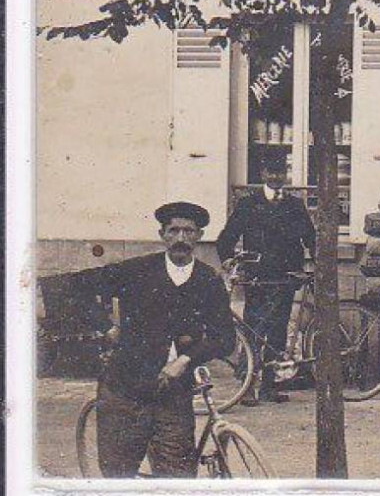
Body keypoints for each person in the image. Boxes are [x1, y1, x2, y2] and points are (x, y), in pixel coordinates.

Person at [87, 201, 236, 477]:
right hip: (126, 389)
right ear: (162, 235)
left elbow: (225, 338)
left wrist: (186, 359)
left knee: (177, 478)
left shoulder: (208, 280)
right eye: (174, 230)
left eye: (189, 231)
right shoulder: (136, 270)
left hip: (173, 394)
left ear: (200, 236)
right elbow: (78, 289)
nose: (181, 238)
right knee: (118, 474)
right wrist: (106, 327)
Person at [214, 155, 315, 405]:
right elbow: (227, 236)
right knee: (253, 329)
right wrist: (227, 259)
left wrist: (317, 261)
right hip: (257, 276)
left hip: (286, 277)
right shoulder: (248, 204)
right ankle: (248, 385)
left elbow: (310, 238)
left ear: (286, 176)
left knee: (278, 331)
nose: (276, 178)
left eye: (280, 173)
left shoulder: (295, 205)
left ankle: (270, 386)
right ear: (263, 175)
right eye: (271, 173)